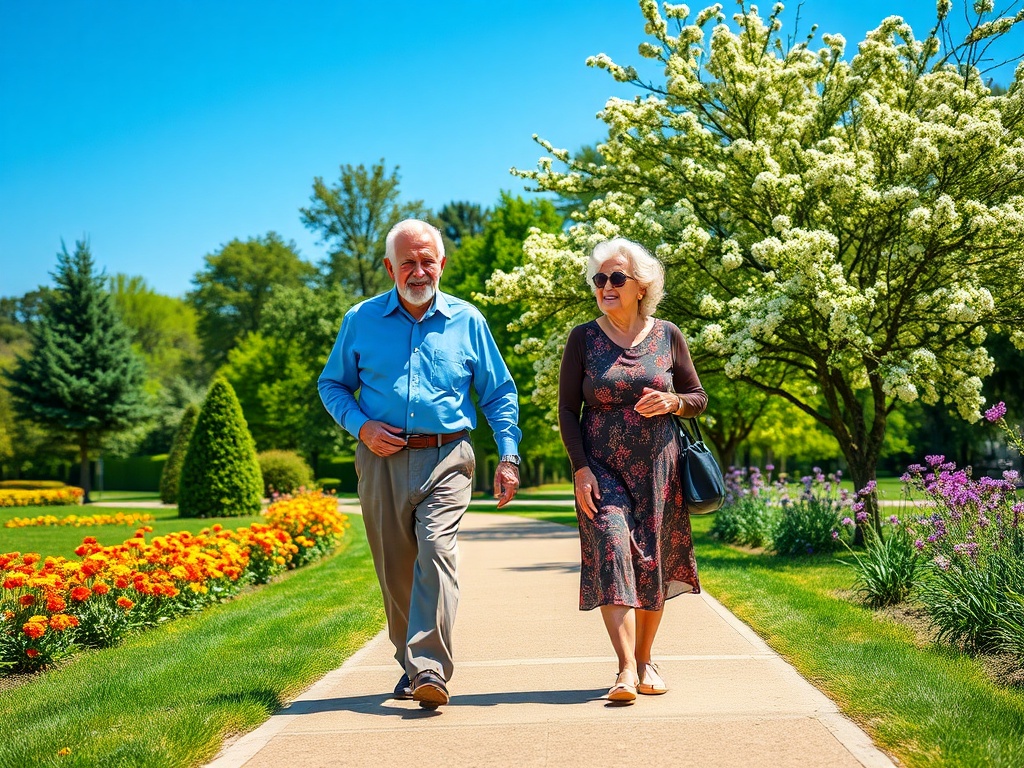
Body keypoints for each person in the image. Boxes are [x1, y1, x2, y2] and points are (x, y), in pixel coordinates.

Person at [318, 218, 522, 709]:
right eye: (407, 262)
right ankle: (410, 667)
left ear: (442, 264)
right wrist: (361, 426)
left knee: (436, 551)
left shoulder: (468, 320)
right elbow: (333, 385)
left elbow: (499, 393)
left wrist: (508, 455)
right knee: (396, 571)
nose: (418, 271)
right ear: (389, 266)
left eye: (427, 260)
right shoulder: (360, 320)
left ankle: (430, 666)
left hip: (449, 456)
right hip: (381, 460)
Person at [558, 237, 708, 703]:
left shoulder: (668, 336)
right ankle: (624, 669)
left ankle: (646, 660)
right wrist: (581, 469)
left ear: (641, 286)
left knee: (652, 562)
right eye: (599, 278)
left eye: (616, 277)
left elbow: (698, 397)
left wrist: (673, 401)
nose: (606, 285)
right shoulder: (583, 338)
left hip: (659, 472)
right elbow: (566, 411)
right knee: (612, 548)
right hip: (602, 469)